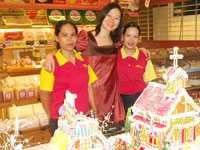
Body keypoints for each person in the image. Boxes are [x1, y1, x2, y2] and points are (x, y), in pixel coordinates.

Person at [44, 3, 150, 123]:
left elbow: (131, 47)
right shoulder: (85, 39)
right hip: (89, 93)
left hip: (110, 94)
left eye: (116, 18)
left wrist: (141, 49)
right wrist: (50, 55)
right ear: (103, 15)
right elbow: (66, 47)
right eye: (109, 15)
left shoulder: (117, 41)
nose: (111, 21)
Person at [40, 20, 98, 135]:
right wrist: (53, 118)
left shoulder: (83, 60)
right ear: (57, 38)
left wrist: (94, 111)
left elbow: (89, 86)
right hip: (62, 122)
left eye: (73, 35)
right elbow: (44, 94)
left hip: (84, 119)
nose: (70, 39)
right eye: (64, 35)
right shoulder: (51, 64)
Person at [118, 22, 157, 114]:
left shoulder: (144, 56)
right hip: (119, 101)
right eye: (128, 36)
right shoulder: (115, 56)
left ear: (139, 39)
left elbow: (149, 82)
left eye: (135, 37)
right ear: (122, 37)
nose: (131, 40)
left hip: (139, 100)